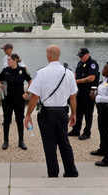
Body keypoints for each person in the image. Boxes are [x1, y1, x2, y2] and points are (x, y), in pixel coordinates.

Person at [24, 45, 78, 178]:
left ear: (48, 55)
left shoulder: (41, 73)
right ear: (58, 56)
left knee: (49, 145)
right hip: (63, 112)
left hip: (47, 113)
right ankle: (71, 171)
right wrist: (74, 113)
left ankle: (53, 173)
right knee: (64, 143)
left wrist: (28, 114)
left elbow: (35, 97)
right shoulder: (69, 73)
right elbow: (73, 97)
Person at [0, 54, 32, 150]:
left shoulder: (22, 70)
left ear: (15, 60)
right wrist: (0, 85)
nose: (8, 61)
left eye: (10, 60)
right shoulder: (5, 70)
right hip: (7, 100)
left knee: (19, 120)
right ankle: (5, 141)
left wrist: (27, 93)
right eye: (8, 60)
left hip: (19, 100)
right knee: (6, 121)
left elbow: (30, 81)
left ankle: (21, 141)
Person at [69, 48, 99, 140]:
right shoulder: (80, 63)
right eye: (79, 56)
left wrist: (77, 81)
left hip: (89, 92)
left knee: (88, 114)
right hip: (80, 92)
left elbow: (91, 78)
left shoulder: (92, 64)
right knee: (78, 112)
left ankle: (87, 132)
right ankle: (76, 130)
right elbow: (76, 74)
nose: (80, 58)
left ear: (87, 54)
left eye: (82, 56)